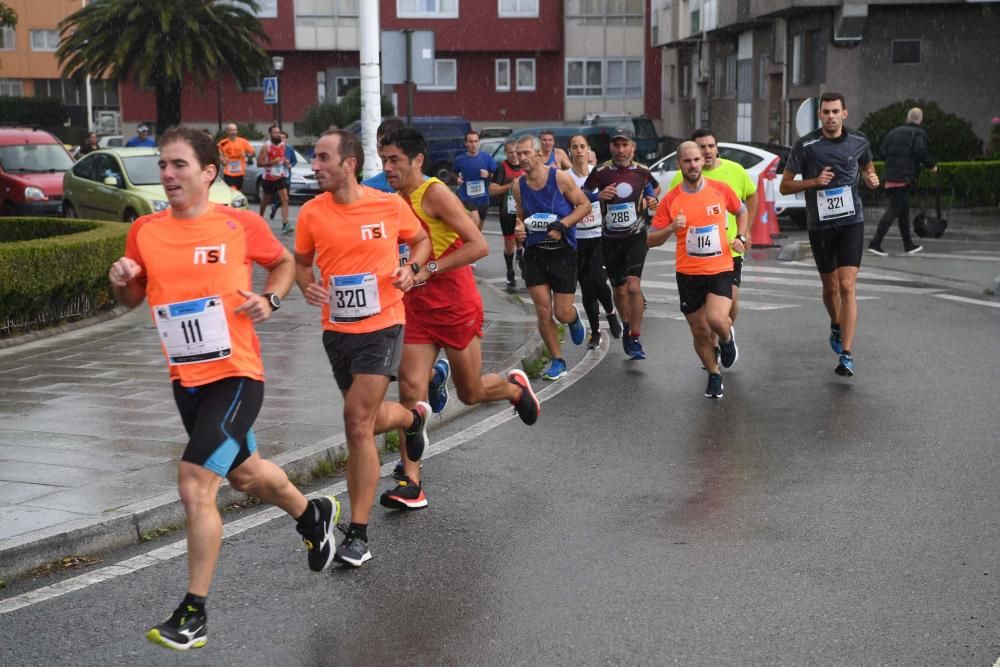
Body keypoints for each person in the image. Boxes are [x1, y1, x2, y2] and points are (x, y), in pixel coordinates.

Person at [108, 126, 339, 651]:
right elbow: (132, 299)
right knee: (246, 475)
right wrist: (121, 279)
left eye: (179, 165)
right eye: (163, 165)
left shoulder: (240, 223)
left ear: (208, 172)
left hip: (236, 374)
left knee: (195, 482)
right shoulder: (144, 230)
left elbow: (280, 263)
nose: (167, 174)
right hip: (185, 379)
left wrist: (272, 300)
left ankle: (195, 613)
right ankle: (313, 513)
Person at [378, 127, 540, 510]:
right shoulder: (391, 198)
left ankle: (514, 388)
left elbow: (479, 245)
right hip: (416, 308)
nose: (387, 167)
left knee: (470, 393)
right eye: (383, 159)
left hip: (455, 305)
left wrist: (429, 268)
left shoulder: (434, 193)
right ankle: (411, 481)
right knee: (408, 393)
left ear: (417, 160)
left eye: (394, 160)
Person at [294, 129, 433, 566]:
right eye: (314, 158)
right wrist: (306, 286)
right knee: (367, 421)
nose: (315, 166)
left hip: (384, 324)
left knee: (356, 423)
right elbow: (300, 263)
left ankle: (358, 533)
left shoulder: (389, 205)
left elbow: (423, 241)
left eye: (322, 157)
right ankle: (413, 418)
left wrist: (411, 269)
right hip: (337, 330)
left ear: (348, 163)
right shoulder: (312, 214)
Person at [780, 91, 880, 377]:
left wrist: (872, 179)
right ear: (820, 115)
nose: (831, 116)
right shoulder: (806, 145)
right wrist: (814, 181)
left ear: (844, 114)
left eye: (836, 111)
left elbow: (868, 168)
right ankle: (835, 324)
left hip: (851, 222)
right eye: (826, 112)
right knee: (831, 288)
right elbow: (785, 186)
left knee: (847, 286)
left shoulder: (859, 141)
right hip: (820, 225)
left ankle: (847, 355)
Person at [648, 141, 749, 398]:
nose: (693, 165)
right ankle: (714, 373)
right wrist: (671, 228)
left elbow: (742, 210)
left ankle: (726, 340)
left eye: (696, 160)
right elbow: (651, 239)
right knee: (699, 330)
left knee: (716, 320)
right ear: (679, 164)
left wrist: (742, 236)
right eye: (687, 161)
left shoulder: (720, 190)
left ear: (703, 161)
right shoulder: (671, 199)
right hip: (688, 273)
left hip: (720, 268)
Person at [669, 129, 757, 363]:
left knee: (731, 301)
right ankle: (718, 338)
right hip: (696, 258)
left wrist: (745, 232)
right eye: (701, 147)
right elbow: (671, 208)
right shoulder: (682, 177)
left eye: (710, 146)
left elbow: (751, 197)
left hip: (730, 248)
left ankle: (725, 334)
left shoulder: (735, 171)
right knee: (705, 315)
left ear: (716, 148)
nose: (706, 151)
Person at [513, 134, 591, 381]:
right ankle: (558, 361)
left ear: (538, 153)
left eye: (526, 153)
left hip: (562, 253)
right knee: (543, 310)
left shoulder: (559, 177)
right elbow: (521, 216)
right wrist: (519, 230)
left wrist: (562, 225)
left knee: (561, 313)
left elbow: (584, 205)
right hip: (535, 253)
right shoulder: (518, 186)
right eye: (518, 153)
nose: (521, 158)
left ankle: (573, 317)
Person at [583, 127, 659, 360]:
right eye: (616, 145)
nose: (620, 149)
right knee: (619, 289)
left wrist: (651, 200)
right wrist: (598, 196)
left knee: (633, 287)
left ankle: (635, 336)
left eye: (625, 145)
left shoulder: (643, 171)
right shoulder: (601, 171)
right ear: (610, 148)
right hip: (610, 239)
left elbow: (653, 188)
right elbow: (582, 194)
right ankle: (626, 326)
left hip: (636, 236)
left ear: (632, 148)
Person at [564, 133, 622, 349]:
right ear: (569, 151)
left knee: (598, 280)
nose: (579, 151)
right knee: (586, 288)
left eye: (582, 146)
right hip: (577, 239)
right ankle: (595, 331)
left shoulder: (598, 175)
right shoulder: (565, 177)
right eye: (574, 146)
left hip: (598, 235)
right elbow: (569, 201)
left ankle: (611, 312)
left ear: (589, 150)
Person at [868, 107, 937, 256]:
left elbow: (883, 152)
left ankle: (908, 245)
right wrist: (932, 166)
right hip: (904, 179)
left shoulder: (893, 133)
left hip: (891, 177)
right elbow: (920, 152)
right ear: (920, 119)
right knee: (893, 211)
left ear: (907, 118)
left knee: (903, 213)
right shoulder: (919, 133)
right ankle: (875, 243)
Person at [488, 136, 526, 289]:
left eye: (516, 152)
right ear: (505, 153)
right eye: (510, 152)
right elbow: (492, 190)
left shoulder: (526, 166)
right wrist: (511, 185)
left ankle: (523, 260)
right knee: (509, 242)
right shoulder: (501, 168)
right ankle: (510, 270)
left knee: (524, 241)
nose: (514, 155)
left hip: (523, 211)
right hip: (507, 212)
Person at [452, 130, 496, 233]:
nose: (474, 144)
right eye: (471, 142)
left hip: (483, 198)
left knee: (478, 230)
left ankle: (473, 246)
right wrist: (457, 179)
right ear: (466, 143)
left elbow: (495, 174)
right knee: (474, 222)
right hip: (467, 197)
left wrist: (488, 174)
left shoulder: (487, 158)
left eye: (476, 141)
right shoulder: (460, 159)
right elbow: (453, 173)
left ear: (479, 142)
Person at [257, 124, 292, 234]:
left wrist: (286, 161)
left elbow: (282, 157)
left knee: (285, 199)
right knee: (266, 200)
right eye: (275, 133)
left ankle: (285, 224)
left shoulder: (282, 145)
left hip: (280, 176)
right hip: (268, 178)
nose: (278, 135)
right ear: (271, 134)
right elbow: (259, 163)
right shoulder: (266, 146)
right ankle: (259, 219)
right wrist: (272, 163)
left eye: (278, 132)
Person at [361, 117, 407, 194]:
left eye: (391, 144)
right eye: (382, 145)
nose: (386, 150)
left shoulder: (426, 186)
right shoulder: (367, 187)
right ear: (377, 148)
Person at [217, 123, 255, 191]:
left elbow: (252, 152)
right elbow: (220, 157)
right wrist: (223, 160)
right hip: (228, 172)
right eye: (231, 130)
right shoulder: (222, 143)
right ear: (227, 131)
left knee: (238, 192)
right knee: (232, 191)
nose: (233, 132)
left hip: (240, 172)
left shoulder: (243, 142)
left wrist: (246, 156)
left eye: (235, 130)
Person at [269, 131, 297, 220]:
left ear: (286, 139)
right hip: (276, 176)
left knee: (286, 198)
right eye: (280, 138)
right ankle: (284, 220)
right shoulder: (273, 148)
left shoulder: (289, 148)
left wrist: (290, 165)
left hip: (287, 175)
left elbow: (294, 160)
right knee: (282, 197)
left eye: (284, 138)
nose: (282, 139)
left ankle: (275, 206)